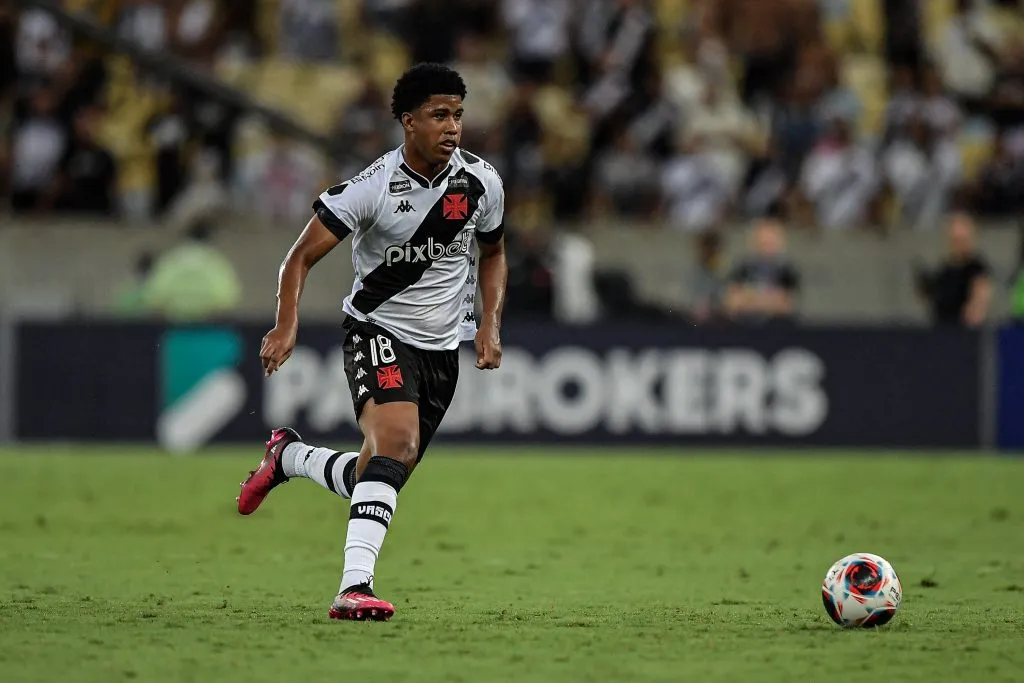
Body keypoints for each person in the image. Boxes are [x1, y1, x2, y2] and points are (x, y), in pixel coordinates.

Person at [235, 63, 507, 622]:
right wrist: (285, 324)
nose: (452, 126)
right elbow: (299, 257)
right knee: (396, 441)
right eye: (438, 115)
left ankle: (289, 457)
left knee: (379, 472)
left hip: (442, 349)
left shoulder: (482, 183)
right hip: (376, 330)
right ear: (408, 122)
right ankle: (354, 587)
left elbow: (495, 253)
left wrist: (490, 322)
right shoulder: (371, 188)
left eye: (457, 114)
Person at [916, 213, 992, 327]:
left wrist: (975, 311)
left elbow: (980, 300)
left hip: (963, 333)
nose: (957, 245)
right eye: (954, 240)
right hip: (941, 329)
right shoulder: (944, 269)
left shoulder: (976, 268)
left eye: (962, 240)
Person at [724, 217, 800, 325]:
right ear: (753, 242)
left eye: (770, 243)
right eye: (762, 243)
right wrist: (769, 301)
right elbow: (732, 302)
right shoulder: (743, 268)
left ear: (779, 243)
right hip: (743, 329)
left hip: (779, 331)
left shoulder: (786, 270)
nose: (766, 249)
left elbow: (787, 305)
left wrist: (750, 299)